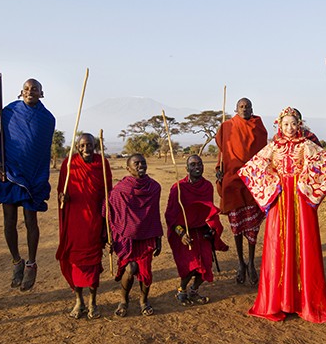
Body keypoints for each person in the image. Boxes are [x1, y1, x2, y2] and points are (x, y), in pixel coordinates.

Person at [239, 107, 326, 323]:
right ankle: (279, 301)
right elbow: (251, 169)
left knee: (304, 244)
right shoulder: (273, 147)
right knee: (278, 245)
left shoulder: (307, 145)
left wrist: (307, 184)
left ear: (300, 124)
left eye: (293, 123)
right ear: (279, 125)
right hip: (279, 200)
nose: (289, 128)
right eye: (285, 124)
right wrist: (272, 186)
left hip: (301, 199)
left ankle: (305, 301)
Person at [0, 78, 55, 292]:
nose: (30, 92)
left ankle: (31, 263)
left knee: (31, 220)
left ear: (41, 93)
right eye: (27, 89)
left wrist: (39, 174)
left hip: (33, 175)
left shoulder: (48, 119)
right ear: (21, 92)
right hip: (10, 172)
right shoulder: (8, 112)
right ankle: (16, 261)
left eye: (35, 89)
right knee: (9, 220)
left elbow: (42, 150)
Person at [56, 133, 113, 320]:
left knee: (93, 264)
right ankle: (79, 301)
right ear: (77, 147)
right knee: (76, 262)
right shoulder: (69, 164)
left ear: (95, 145)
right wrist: (63, 197)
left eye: (89, 145)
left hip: (95, 221)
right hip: (75, 222)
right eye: (82, 145)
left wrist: (107, 224)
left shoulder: (102, 164)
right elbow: (61, 192)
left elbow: (108, 194)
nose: (86, 149)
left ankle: (93, 302)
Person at [215, 97, 269, 286]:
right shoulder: (227, 126)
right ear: (236, 109)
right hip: (233, 180)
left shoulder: (258, 126)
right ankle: (240, 263)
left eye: (247, 106)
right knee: (237, 227)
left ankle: (252, 263)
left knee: (253, 226)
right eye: (241, 106)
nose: (245, 109)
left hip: (254, 180)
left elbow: (264, 153)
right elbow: (222, 151)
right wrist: (219, 169)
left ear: (252, 108)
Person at [165, 155, 229, 305]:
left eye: (199, 164)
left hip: (201, 231)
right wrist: (181, 233)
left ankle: (194, 290)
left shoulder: (207, 186)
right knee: (192, 265)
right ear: (186, 168)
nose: (197, 167)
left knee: (206, 264)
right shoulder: (178, 188)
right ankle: (182, 290)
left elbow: (208, 211)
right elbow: (171, 215)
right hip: (184, 231)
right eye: (193, 165)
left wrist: (211, 229)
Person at [108, 154, 163, 317]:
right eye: (136, 163)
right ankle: (124, 300)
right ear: (128, 168)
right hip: (126, 238)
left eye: (143, 163)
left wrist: (158, 238)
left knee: (146, 272)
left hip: (146, 237)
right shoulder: (120, 190)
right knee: (130, 268)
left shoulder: (154, 188)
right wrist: (110, 237)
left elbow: (154, 215)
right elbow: (110, 211)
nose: (141, 166)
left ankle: (144, 301)